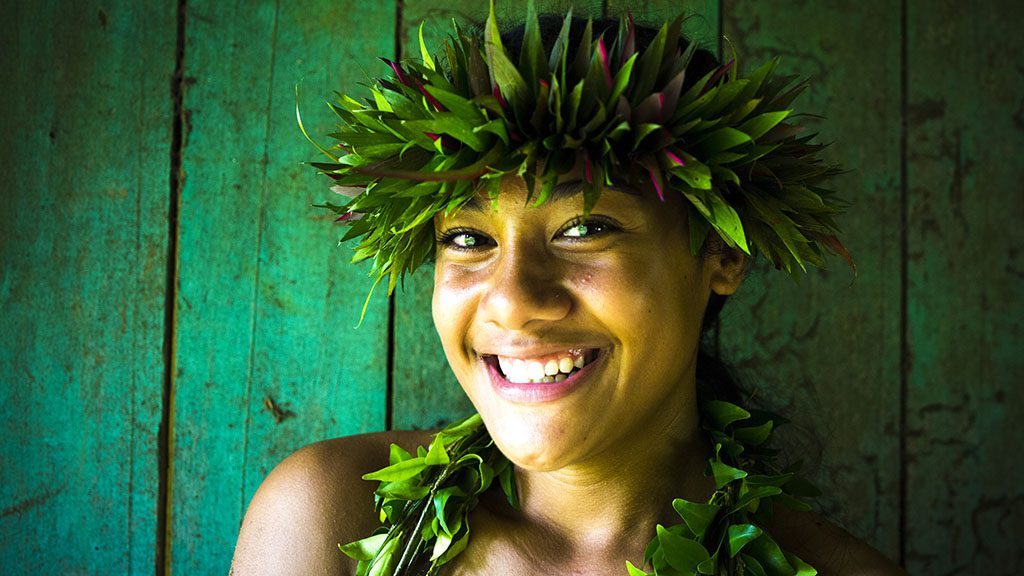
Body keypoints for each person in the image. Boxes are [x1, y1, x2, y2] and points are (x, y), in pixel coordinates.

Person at [231, 6, 906, 575]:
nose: (512, 299)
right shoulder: (328, 517)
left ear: (722, 256)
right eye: (468, 238)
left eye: (586, 227)